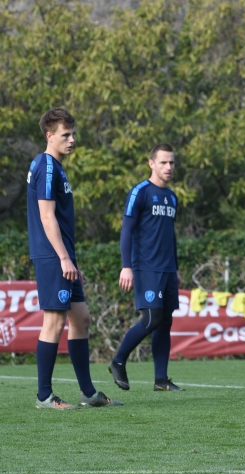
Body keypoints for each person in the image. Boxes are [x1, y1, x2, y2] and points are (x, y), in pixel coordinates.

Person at [26, 107, 123, 409]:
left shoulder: (56, 166)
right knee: (54, 322)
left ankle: (88, 393)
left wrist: (70, 259)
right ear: (49, 135)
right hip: (54, 256)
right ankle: (44, 396)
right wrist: (65, 259)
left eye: (73, 134)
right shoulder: (47, 165)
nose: (72, 140)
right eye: (65, 135)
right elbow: (46, 215)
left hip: (64, 256)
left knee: (81, 319)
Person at [108, 144, 183, 392]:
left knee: (165, 322)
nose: (169, 167)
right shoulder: (139, 192)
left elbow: (169, 235)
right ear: (151, 163)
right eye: (163, 162)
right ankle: (118, 361)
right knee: (151, 318)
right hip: (145, 268)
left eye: (171, 162)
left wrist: (176, 268)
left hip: (167, 270)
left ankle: (161, 380)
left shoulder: (172, 197)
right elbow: (126, 230)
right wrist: (126, 266)